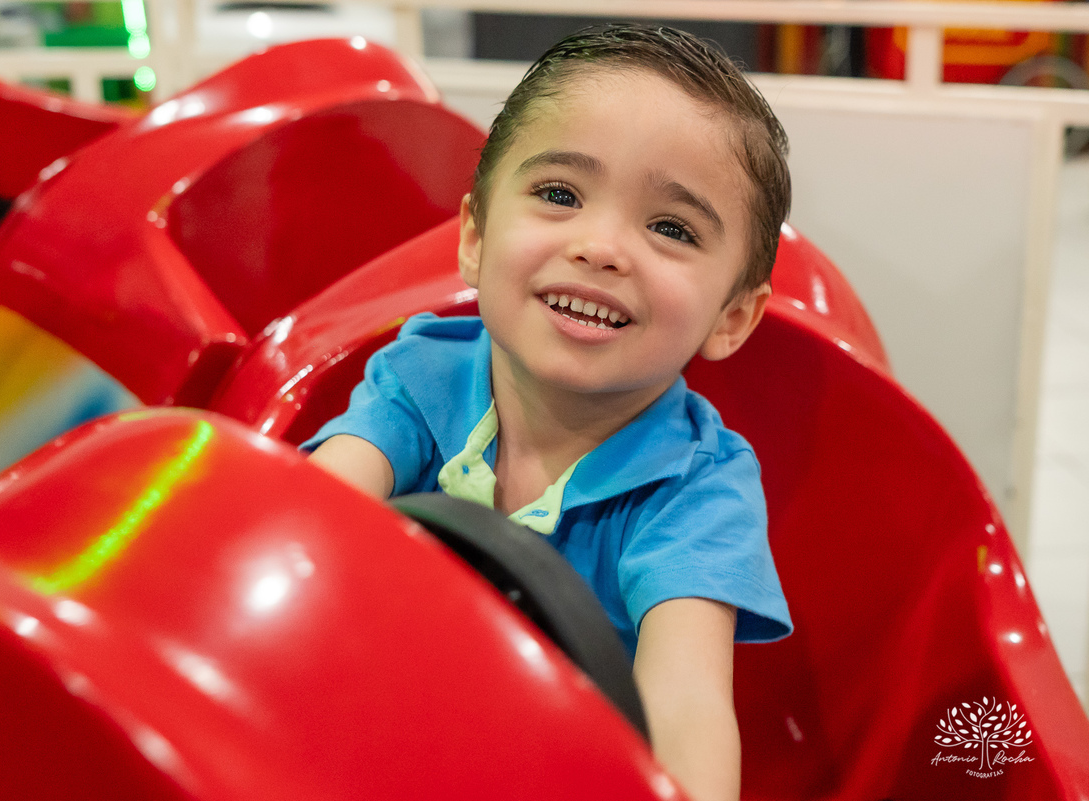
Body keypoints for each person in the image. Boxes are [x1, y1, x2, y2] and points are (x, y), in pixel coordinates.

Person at [304, 24, 792, 801]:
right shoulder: (423, 373)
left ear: (732, 316)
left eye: (670, 228)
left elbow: (686, 702)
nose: (601, 247)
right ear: (475, 234)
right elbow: (304, 529)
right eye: (560, 194)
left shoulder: (697, 487)